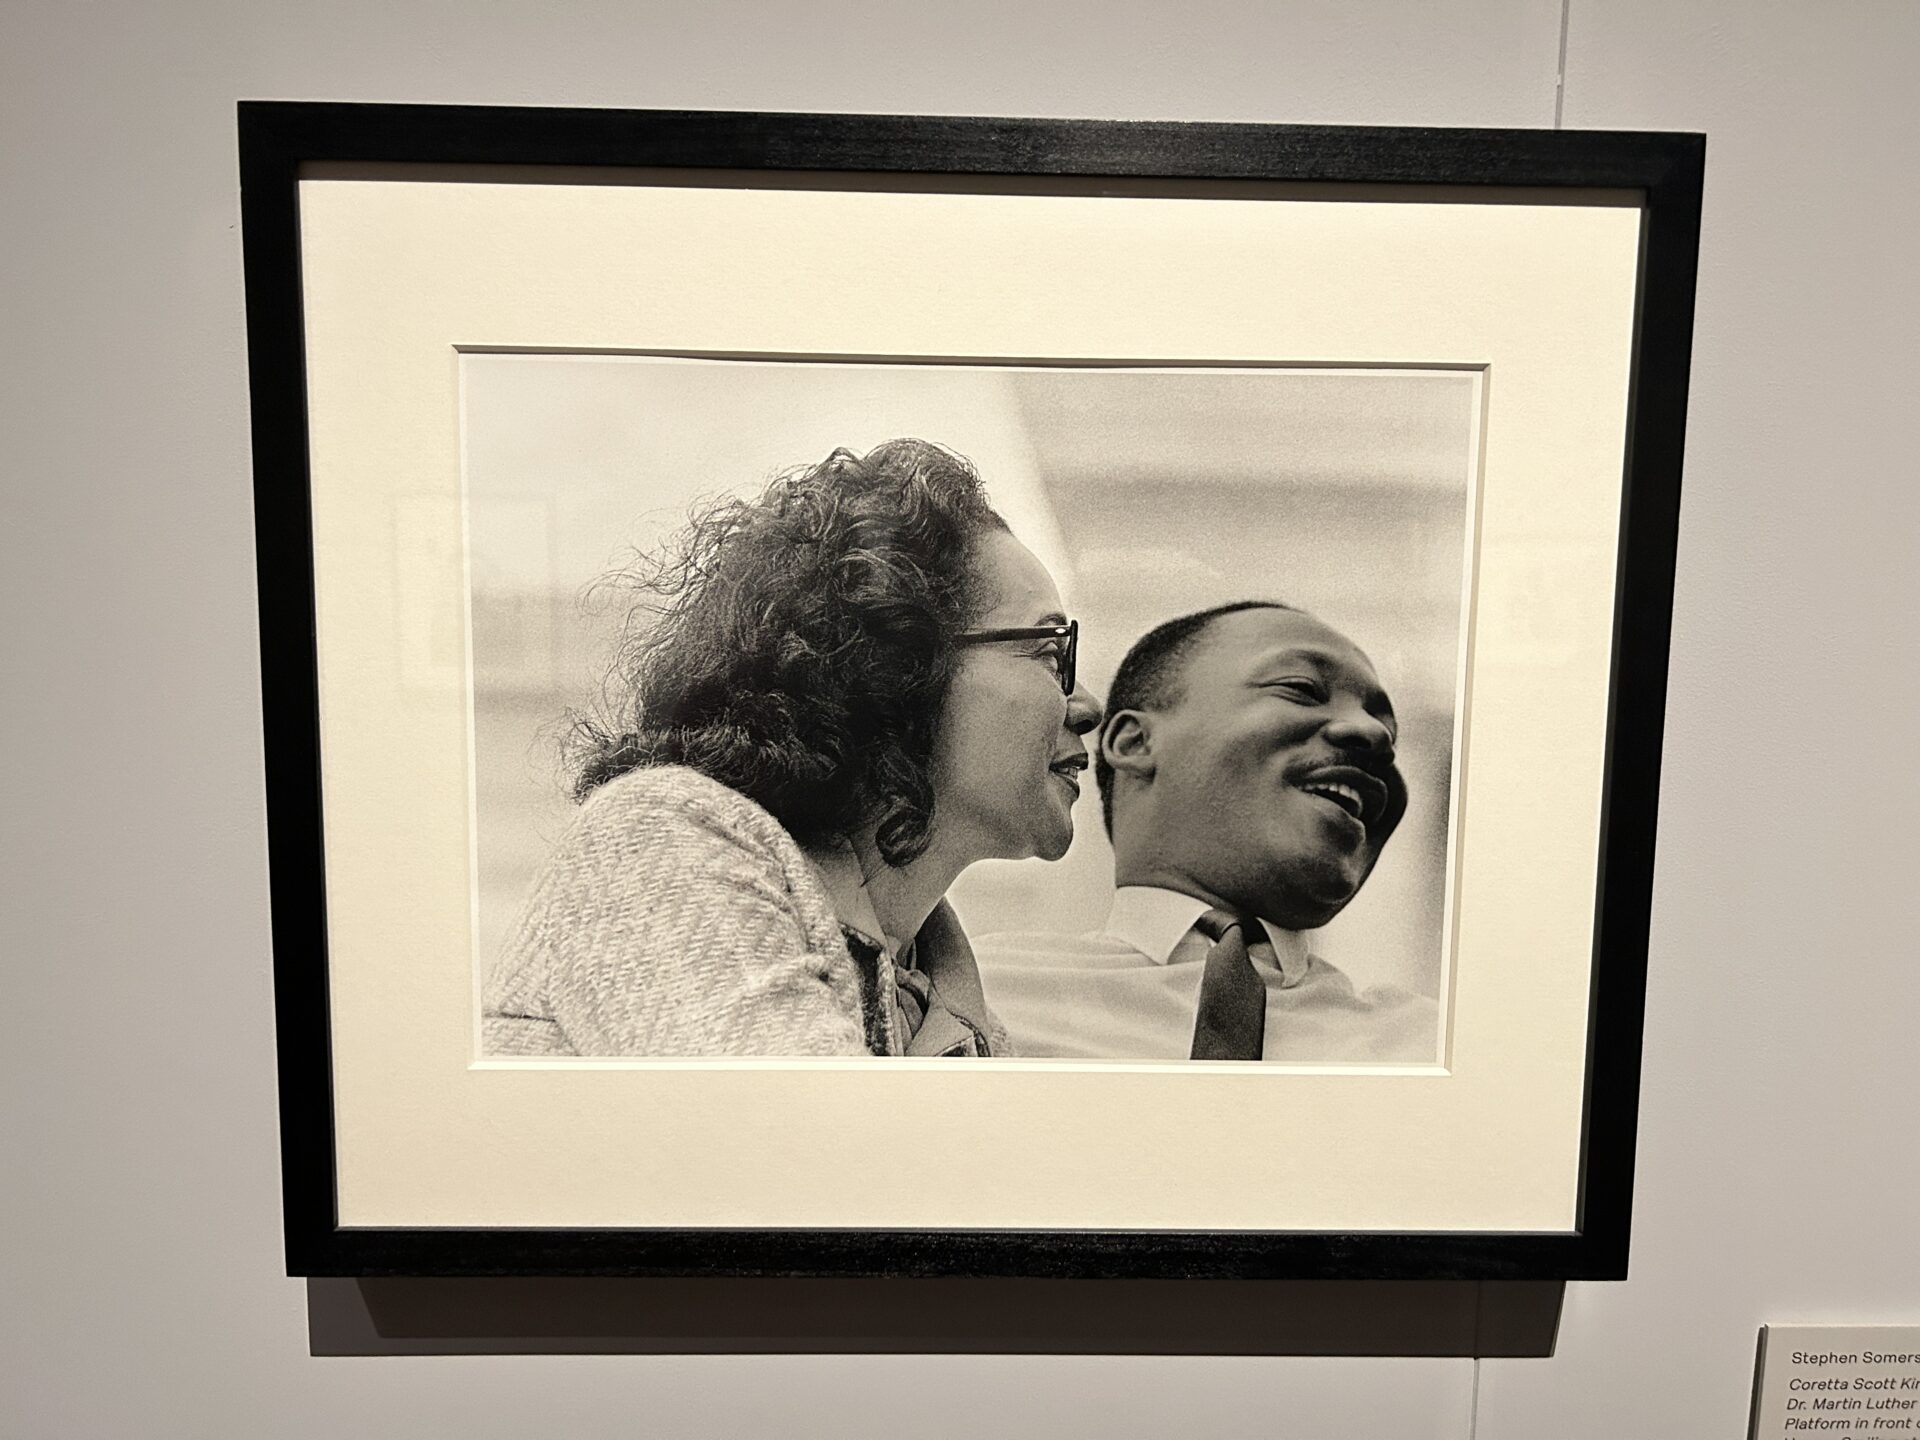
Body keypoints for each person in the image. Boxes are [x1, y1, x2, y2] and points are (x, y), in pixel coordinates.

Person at [483, 439, 1100, 1059]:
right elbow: (802, 1123)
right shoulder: (657, 841)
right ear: (893, 665)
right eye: (1050, 650)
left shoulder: (954, 1005)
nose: (1088, 706)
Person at [975, 600, 1437, 1062]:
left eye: (1389, 733)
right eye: (1301, 689)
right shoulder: (974, 998)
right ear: (1135, 741)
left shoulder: (1434, 1048)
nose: (1374, 734)